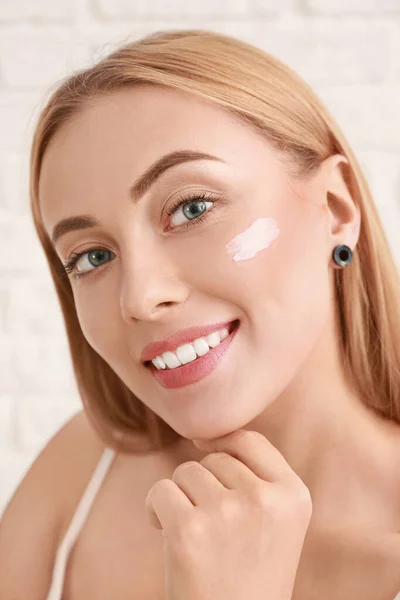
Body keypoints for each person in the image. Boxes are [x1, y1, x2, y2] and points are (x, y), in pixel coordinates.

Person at [0, 28, 399, 600]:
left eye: (192, 208)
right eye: (91, 256)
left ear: (336, 209)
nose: (138, 297)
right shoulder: (83, 466)